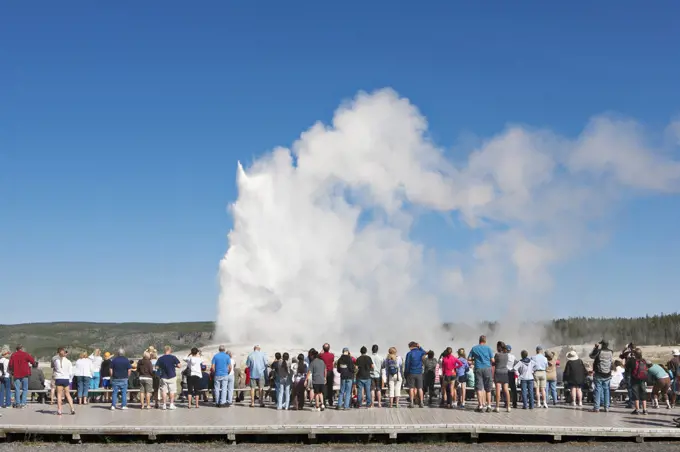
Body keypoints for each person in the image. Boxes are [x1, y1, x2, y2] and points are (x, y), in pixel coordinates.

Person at [468, 336, 494, 412]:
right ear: (485, 341)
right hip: (487, 368)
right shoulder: (488, 348)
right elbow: (492, 360)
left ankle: (480, 406)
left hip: (478, 368)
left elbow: (469, 359)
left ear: (479, 340)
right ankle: (489, 406)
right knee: (488, 389)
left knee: (479, 388)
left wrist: (474, 360)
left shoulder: (474, 348)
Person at [589, 340, 613, 413]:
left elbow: (591, 356)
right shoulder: (611, 352)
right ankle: (606, 407)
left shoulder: (599, 351)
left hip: (599, 373)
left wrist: (595, 347)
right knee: (606, 390)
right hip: (607, 373)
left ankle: (596, 407)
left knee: (598, 390)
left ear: (602, 344)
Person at [8, 344, 35, 408]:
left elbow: (10, 365)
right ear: (22, 348)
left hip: (16, 374)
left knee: (17, 389)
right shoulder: (25, 354)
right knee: (25, 389)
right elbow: (32, 361)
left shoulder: (13, 355)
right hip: (25, 374)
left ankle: (17, 403)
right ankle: (23, 403)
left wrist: (12, 371)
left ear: (16, 349)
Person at [51, 347, 75, 415]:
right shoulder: (68, 361)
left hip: (59, 378)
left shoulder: (56, 360)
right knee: (68, 394)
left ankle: (59, 410)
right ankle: (72, 409)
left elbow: (54, 368)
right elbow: (70, 373)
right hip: (66, 378)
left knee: (59, 395)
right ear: (65, 353)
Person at [156, 346, 181, 410]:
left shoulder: (160, 358)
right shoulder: (173, 357)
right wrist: (174, 365)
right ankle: (171, 404)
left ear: (164, 350)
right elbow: (179, 365)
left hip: (163, 376)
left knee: (164, 391)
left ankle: (164, 404)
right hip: (172, 375)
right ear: (170, 350)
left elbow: (156, 367)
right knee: (172, 391)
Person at [404, 341, 426, 408]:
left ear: (411, 347)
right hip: (419, 372)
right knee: (420, 388)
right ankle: (421, 402)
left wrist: (406, 373)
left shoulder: (409, 354)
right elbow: (425, 352)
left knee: (411, 388)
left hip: (411, 372)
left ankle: (412, 403)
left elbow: (407, 364)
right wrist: (420, 347)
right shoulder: (420, 352)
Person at [629, 348, 648, 415]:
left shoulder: (633, 361)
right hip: (643, 379)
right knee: (643, 393)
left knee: (635, 394)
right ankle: (645, 410)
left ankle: (637, 410)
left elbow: (627, 367)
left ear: (635, 354)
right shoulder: (644, 360)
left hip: (635, 379)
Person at [493, 341, 511, 413]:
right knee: (506, 389)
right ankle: (508, 406)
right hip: (505, 372)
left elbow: (493, 362)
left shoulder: (497, 355)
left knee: (498, 389)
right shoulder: (507, 355)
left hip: (498, 372)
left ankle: (497, 407)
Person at [319, 343, 335, 408]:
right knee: (330, 387)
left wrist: (321, 351)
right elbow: (332, 361)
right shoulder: (332, 355)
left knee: (324, 387)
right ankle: (330, 401)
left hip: (323, 372)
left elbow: (318, 355)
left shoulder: (321, 355)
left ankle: (324, 402)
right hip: (330, 372)